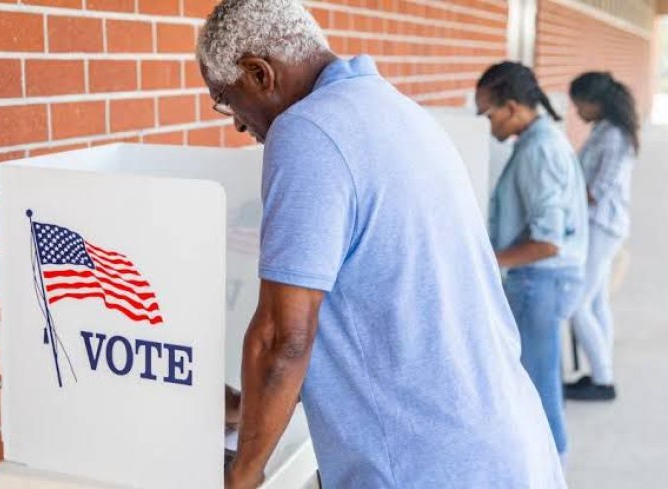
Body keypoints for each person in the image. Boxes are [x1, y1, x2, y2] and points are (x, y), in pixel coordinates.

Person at [197, 2, 565, 488]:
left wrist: (242, 474)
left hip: (426, 466)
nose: (237, 125)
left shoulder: (306, 130)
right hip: (505, 445)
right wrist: (252, 410)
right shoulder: (394, 110)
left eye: (225, 99)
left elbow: (282, 336)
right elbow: (386, 308)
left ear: (259, 73)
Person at [476, 61, 588, 460]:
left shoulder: (538, 150)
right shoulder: (539, 141)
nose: (487, 126)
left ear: (510, 108)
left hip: (540, 281)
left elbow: (548, 242)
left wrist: (488, 261)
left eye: (487, 114)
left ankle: (550, 468)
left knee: (538, 388)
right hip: (545, 281)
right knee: (539, 381)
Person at [565, 72, 639, 401]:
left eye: (579, 105)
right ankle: (599, 369)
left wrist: (561, 200)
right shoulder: (607, 131)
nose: (577, 112)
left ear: (595, 103)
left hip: (601, 225)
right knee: (595, 302)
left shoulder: (613, 138)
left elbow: (597, 190)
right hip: (603, 225)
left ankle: (603, 380)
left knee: (576, 303)